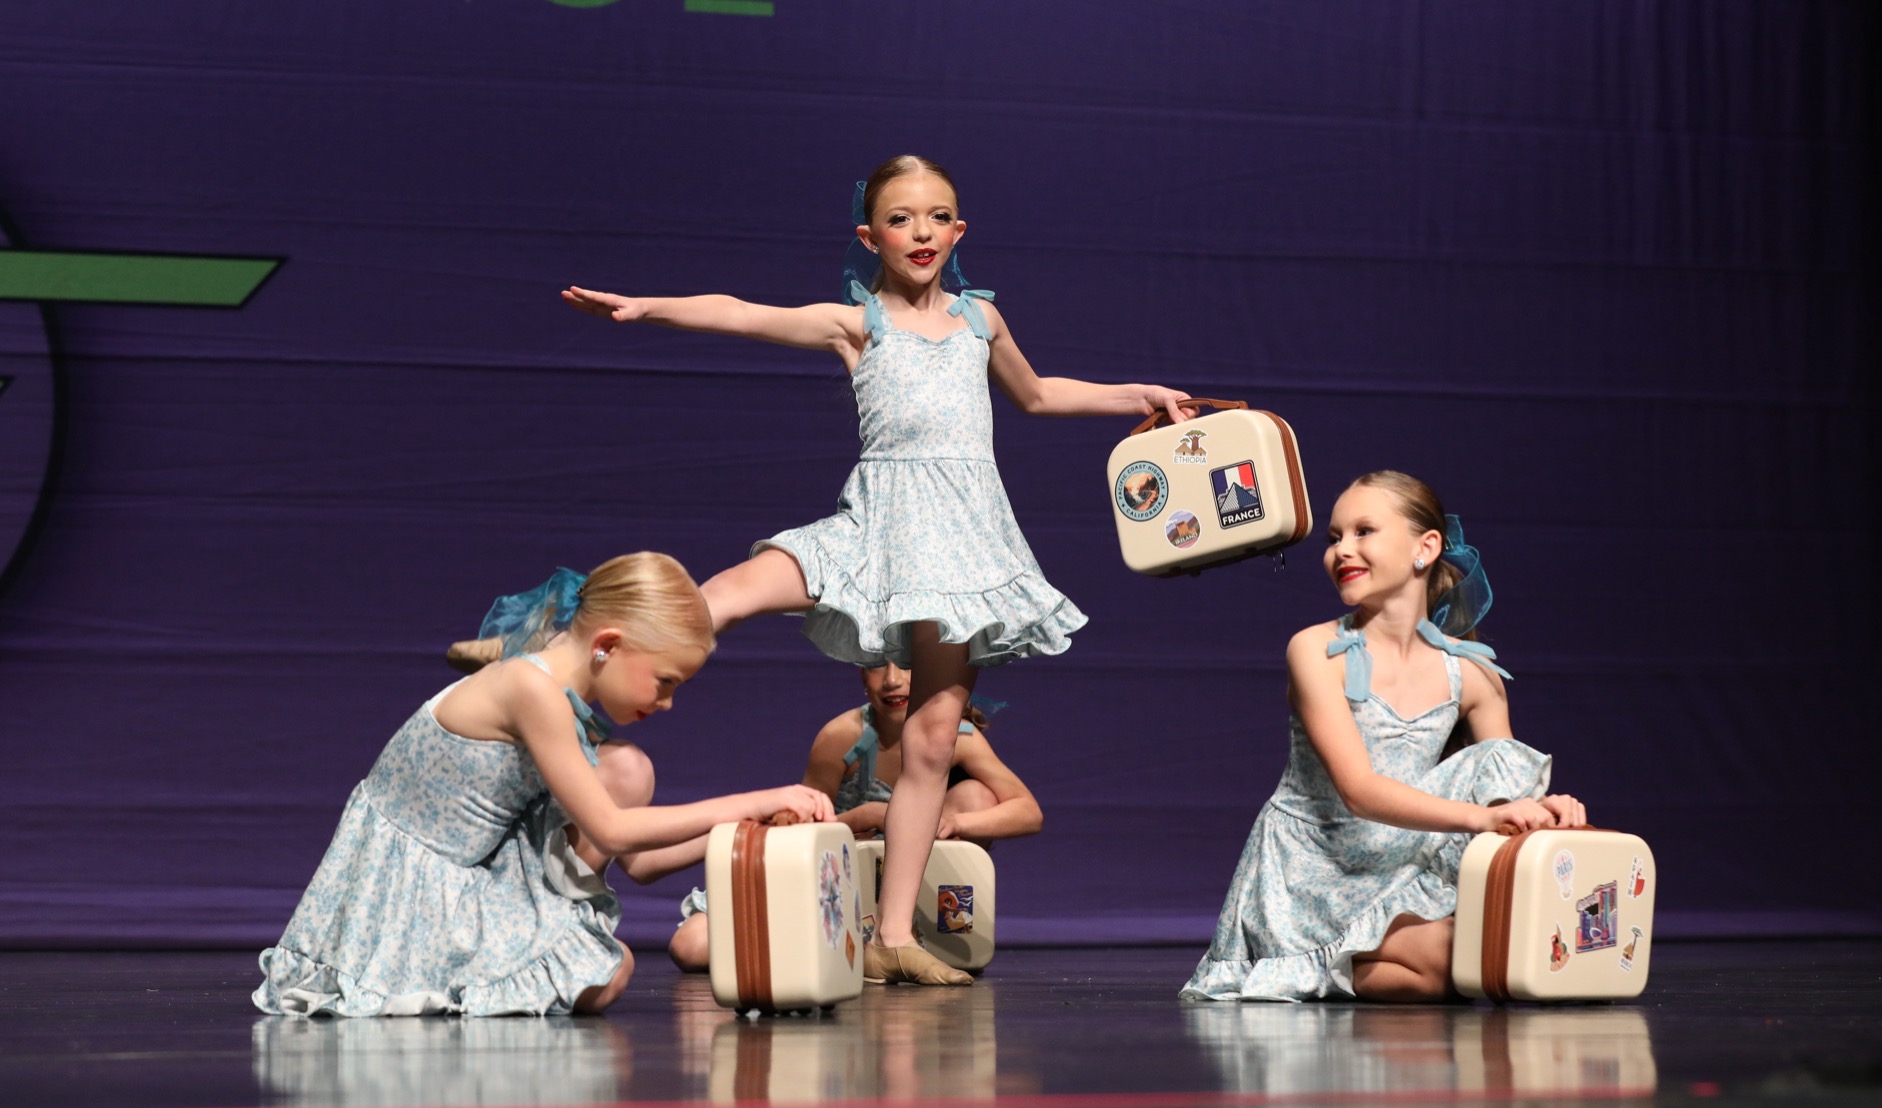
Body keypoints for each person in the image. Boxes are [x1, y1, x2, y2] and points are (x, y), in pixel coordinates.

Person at [452, 155, 1188, 985]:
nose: (920, 233)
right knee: (720, 597)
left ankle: (894, 935)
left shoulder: (981, 321)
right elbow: (743, 314)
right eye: (901, 219)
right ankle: (545, 651)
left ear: (959, 231)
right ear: (870, 237)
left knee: (932, 740)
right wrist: (648, 307)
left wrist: (1135, 395)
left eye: (936, 217)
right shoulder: (858, 324)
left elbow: (1040, 394)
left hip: (964, 543)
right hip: (873, 527)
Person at [254, 553, 833, 1018]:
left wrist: (748, 830)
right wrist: (756, 797)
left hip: (480, 866)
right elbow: (613, 830)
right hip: (412, 892)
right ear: (607, 645)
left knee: (627, 772)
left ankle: (536, 940)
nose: (667, 703)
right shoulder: (532, 690)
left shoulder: (552, 686)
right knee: (606, 968)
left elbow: (639, 863)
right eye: (664, 681)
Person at [1180, 471, 1587, 1003]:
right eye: (1334, 537)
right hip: (1317, 869)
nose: (1341, 550)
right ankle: (1308, 957)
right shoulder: (1315, 649)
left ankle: (1339, 966)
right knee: (1455, 957)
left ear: (1426, 548)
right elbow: (1359, 790)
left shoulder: (1473, 675)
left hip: (1400, 861)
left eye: (1364, 531)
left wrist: (1540, 811)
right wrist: (1481, 817)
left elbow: (1503, 793)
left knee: (1475, 951)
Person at [664, 661, 1044, 972]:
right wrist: (865, 816)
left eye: (908, 664)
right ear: (863, 676)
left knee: (977, 796)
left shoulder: (959, 738)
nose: (892, 680)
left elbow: (1028, 812)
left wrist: (954, 823)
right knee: (692, 944)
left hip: (918, 894)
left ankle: (930, 935)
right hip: (839, 887)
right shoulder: (842, 736)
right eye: (878, 665)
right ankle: (827, 947)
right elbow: (799, 834)